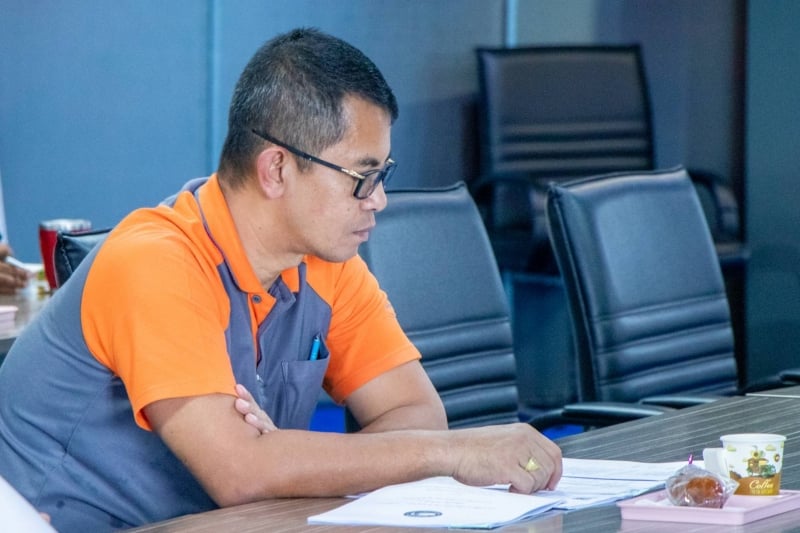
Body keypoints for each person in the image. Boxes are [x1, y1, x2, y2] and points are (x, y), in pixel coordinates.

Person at [0, 28, 562, 532]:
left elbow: (417, 414)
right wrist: (449, 453)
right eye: (362, 176)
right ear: (276, 169)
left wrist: (288, 460)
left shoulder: (326, 263)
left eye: (382, 176)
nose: (379, 201)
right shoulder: (155, 261)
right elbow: (240, 473)